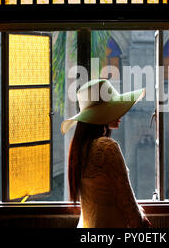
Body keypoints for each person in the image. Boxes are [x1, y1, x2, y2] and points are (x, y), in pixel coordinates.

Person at [61, 79, 151, 228]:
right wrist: (141, 223)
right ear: (100, 114)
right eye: (113, 108)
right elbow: (126, 202)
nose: (119, 113)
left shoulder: (81, 148)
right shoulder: (106, 148)